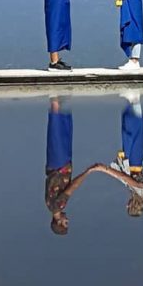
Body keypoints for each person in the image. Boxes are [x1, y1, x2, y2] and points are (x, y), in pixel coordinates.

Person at [44, 96, 99, 235]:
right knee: (62, 136)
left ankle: (55, 103)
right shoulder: (49, 206)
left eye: (65, 222)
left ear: (58, 222)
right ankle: (58, 105)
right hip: (56, 166)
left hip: (59, 166)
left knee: (57, 136)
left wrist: (88, 172)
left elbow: (72, 187)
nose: (67, 219)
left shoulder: (57, 206)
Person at [88, 91, 143, 217]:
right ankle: (136, 100)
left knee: (128, 132)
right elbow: (125, 177)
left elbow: (123, 178)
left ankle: (133, 102)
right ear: (134, 205)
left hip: (129, 161)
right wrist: (104, 169)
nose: (127, 204)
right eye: (129, 207)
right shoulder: (140, 189)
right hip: (135, 162)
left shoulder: (134, 191)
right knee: (135, 132)